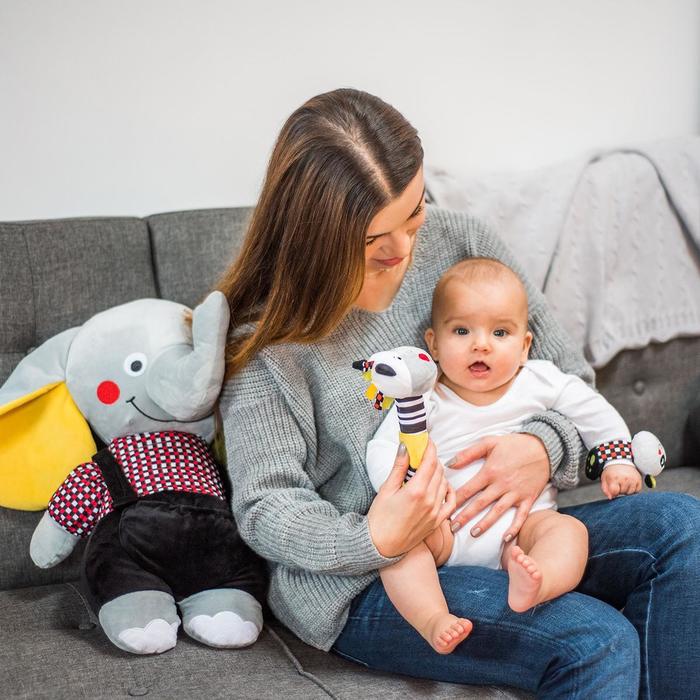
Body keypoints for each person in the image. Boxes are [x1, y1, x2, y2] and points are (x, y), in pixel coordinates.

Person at [217, 87, 700, 699]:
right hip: (377, 574)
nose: (405, 251)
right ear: (317, 238)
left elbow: (568, 381)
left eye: (414, 213)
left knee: (684, 525)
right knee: (596, 639)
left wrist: (541, 447)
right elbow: (265, 507)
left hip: (507, 528)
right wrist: (373, 538)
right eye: (375, 240)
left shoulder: (463, 242)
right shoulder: (266, 349)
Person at [365, 257, 642, 654]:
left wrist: (617, 459)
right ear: (434, 345)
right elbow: (383, 448)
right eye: (462, 330)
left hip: (524, 526)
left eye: (500, 332)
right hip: (442, 528)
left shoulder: (539, 380)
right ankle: (432, 617)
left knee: (568, 532)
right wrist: (406, 493)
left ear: (524, 346)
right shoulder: (424, 399)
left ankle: (538, 580)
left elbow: (592, 410)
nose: (481, 344)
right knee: (398, 549)